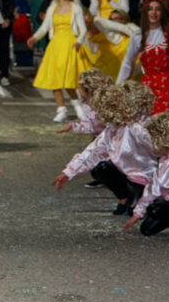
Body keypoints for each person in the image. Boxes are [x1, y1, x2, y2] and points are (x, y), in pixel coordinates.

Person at [98, 0, 169, 139]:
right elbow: (127, 63)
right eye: (150, 9)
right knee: (152, 130)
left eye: (157, 9)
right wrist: (117, 88)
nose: (154, 12)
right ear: (145, 12)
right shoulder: (138, 36)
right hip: (149, 91)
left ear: (162, 12)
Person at [52, 85, 156, 215]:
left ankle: (143, 195)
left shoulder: (137, 128)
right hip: (124, 175)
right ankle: (123, 197)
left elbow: (159, 150)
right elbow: (93, 150)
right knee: (102, 167)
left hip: (143, 176)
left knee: (135, 213)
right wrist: (69, 172)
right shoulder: (111, 129)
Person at [28, 0, 95, 123]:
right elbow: (45, 27)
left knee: (69, 80)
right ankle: (61, 110)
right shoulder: (52, 8)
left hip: (71, 45)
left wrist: (78, 42)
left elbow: (83, 30)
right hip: (55, 46)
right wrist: (34, 37)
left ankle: (78, 108)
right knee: (55, 79)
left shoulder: (75, 7)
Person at [55, 68, 112, 138]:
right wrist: (72, 126)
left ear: (89, 90)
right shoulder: (86, 105)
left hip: (114, 139)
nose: (79, 90)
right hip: (100, 139)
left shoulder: (106, 104)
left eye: (80, 88)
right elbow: (87, 126)